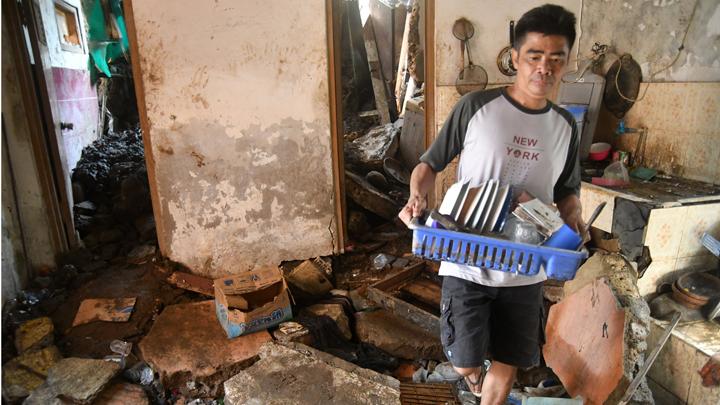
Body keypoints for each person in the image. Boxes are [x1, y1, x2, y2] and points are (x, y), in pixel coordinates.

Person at [398, 4, 584, 403]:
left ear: (567, 63)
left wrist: (575, 222)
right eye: (534, 56)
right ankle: (469, 375)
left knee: (507, 362)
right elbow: (428, 165)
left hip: (526, 268)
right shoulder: (476, 107)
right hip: (467, 258)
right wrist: (417, 196)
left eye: (556, 59)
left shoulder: (566, 126)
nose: (544, 68)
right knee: (464, 358)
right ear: (515, 58)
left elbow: (568, 191)